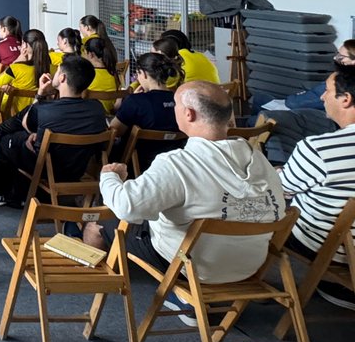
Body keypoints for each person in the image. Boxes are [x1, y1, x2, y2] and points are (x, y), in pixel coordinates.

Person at [85, 81, 285, 291]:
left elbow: (126, 207)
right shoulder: (260, 159)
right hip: (249, 265)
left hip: (191, 265)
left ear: (188, 114)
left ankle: (95, 290)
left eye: (175, 105)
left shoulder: (177, 164)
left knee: (98, 223)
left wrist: (109, 176)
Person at [278, 66, 355, 309]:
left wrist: (277, 174)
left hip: (331, 249)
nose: (322, 97)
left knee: (257, 208)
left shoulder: (318, 148)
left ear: (346, 99)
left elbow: (280, 191)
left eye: (327, 90)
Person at [0, 55, 108, 208]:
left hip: (47, 168)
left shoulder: (44, 110)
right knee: (22, 135)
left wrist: (40, 94)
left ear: (62, 78)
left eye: (57, 71)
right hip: (77, 169)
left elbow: (25, 122)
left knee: (7, 140)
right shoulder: (97, 109)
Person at [264, 41, 355, 164]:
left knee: (268, 116)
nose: (335, 59)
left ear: (346, 99)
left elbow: (300, 102)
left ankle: (277, 164)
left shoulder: (340, 80)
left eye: (340, 57)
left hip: (331, 122)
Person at [110, 52, 183, 172]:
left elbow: (114, 131)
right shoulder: (180, 100)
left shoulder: (136, 101)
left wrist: (131, 101)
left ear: (143, 73)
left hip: (137, 166)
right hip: (172, 166)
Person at [0, 29, 50, 119]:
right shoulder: (51, 68)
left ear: (24, 45)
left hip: (16, 113)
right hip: (40, 113)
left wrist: (18, 60)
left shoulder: (16, 69)